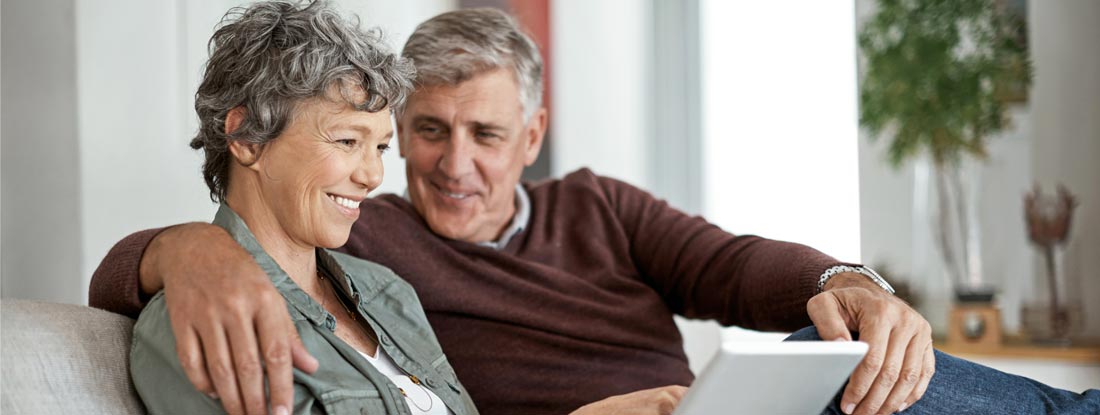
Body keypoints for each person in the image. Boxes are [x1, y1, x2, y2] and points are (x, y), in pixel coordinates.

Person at [92, 6, 1099, 415]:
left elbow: (732, 262)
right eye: (423, 133)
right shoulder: (367, 238)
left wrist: (851, 282)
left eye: (484, 137)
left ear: (531, 136)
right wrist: (181, 249)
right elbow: (177, 258)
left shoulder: (589, 211)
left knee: (829, 343)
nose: (445, 166)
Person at [126, 2, 477, 415]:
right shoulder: (204, 311)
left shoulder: (388, 293)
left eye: (379, 147)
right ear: (248, 138)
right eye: (347, 141)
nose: (373, 175)